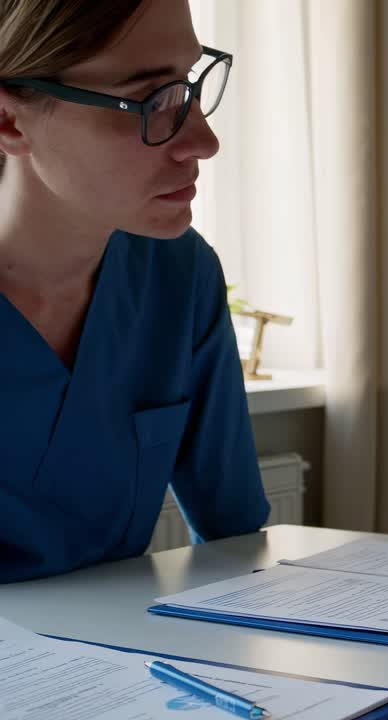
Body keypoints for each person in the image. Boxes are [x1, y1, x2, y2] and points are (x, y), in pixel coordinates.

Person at [0, 0, 268, 583]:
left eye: (189, 86)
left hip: (123, 665)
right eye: (151, 100)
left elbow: (237, 539)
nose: (203, 140)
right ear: (10, 122)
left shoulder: (181, 277)